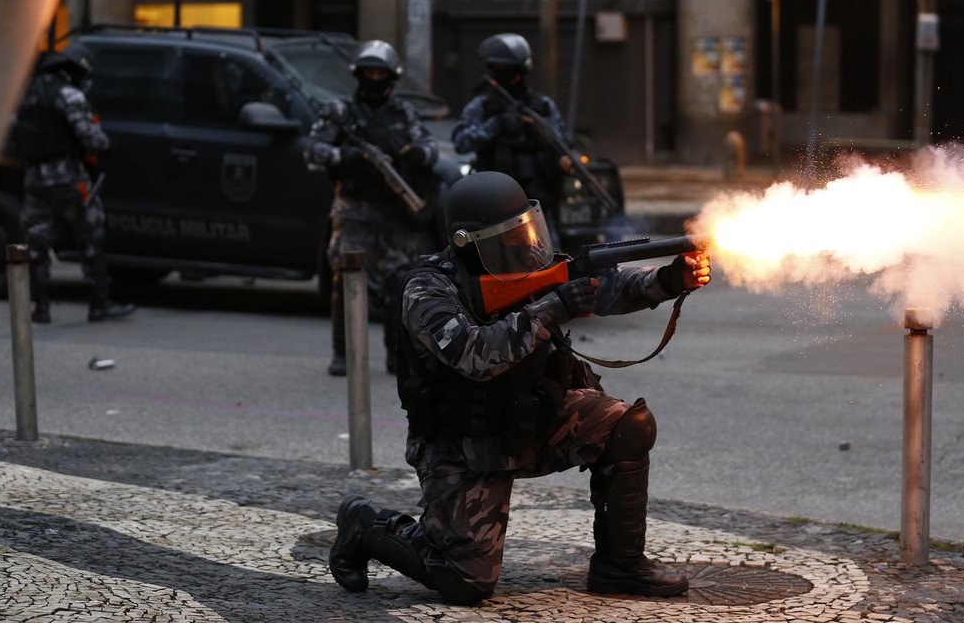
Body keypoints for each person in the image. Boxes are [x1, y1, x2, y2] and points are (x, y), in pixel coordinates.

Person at [328, 171, 711, 605]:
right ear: (466, 242)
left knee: (628, 425)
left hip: (533, 420)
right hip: (464, 445)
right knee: (465, 581)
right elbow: (476, 355)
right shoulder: (428, 289)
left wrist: (667, 280)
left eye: (524, 231)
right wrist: (554, 309)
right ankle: (366, 526)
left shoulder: (529, 263)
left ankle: (620, 566)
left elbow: (611, 285)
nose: (522, 244)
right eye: (506, 237)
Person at [303, 39, 440, 376]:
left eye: (381, 73)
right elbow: (312, 152)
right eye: (369, 73)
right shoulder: (340, 113)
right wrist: (345, 157)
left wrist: (408, 152)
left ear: (391, 77)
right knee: (348, 279)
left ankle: (397, 357)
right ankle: (343, 354)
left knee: (398, 283)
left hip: (394, 211)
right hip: (354, 209)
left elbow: (430, 150)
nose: (374, 78)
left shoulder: (403, 113)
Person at [15, 45, 135, 324]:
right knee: (90, 233)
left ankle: (41, 307)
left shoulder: (28, 94)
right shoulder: (68, 94)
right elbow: (90, 137)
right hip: (68, 176)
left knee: (37, 243)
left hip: (34, 178)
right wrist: (106, 145)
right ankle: (100, 303)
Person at [451, 33, 574, 241]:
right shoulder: (482, 106)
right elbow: (461, 142)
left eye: (508, 70)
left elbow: (561, 143)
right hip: (494, 205)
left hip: (538, 202)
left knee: (548, 256)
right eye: (497, 69)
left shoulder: (541, 107)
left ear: (521, 72)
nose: (502, 75)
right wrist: (496, 125)